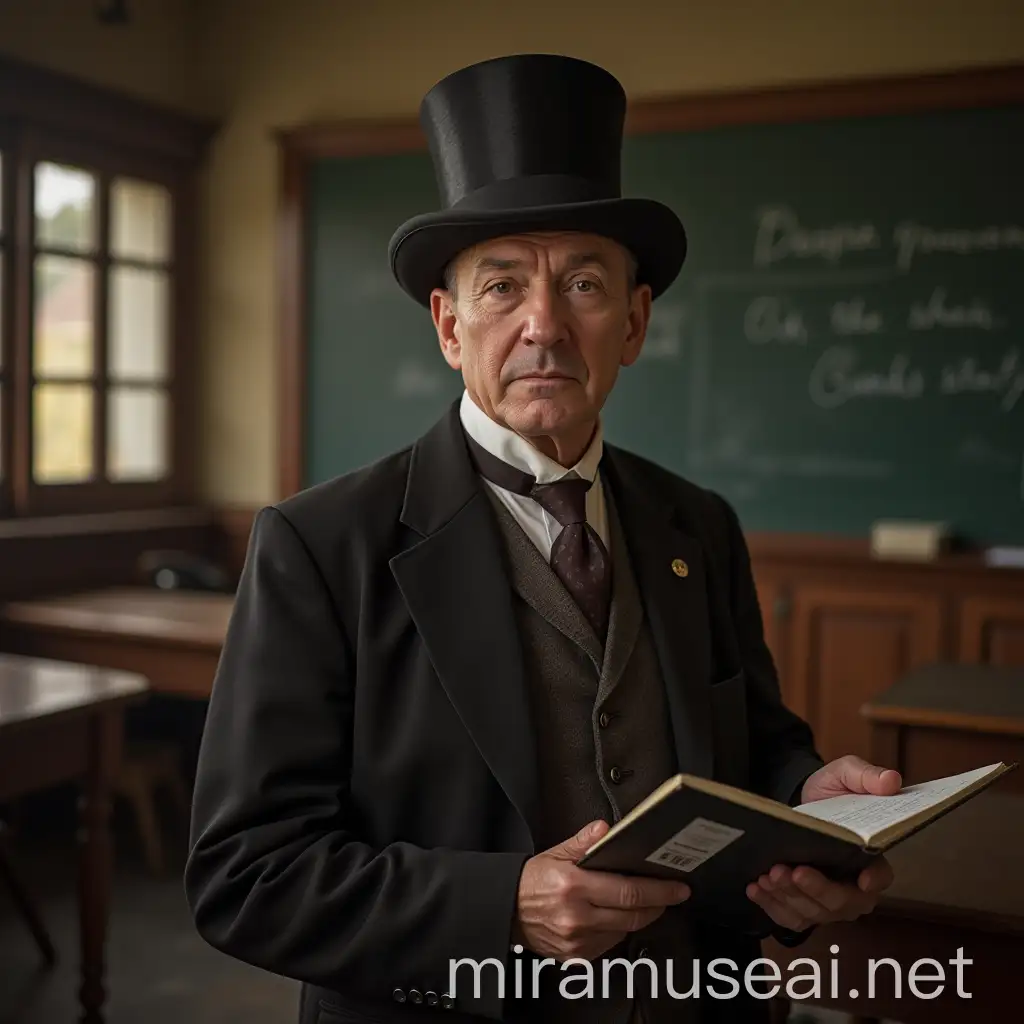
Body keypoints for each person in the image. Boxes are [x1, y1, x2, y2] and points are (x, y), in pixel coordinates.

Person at [184, 54, 899, 1024]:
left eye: (585, 286)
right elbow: (246, 875)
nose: (543, 326)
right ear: (447, 325)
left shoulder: (700, 523)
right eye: (501, 287)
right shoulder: (318, 544)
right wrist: (498, 905)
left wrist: (807, 798)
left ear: (636, 321)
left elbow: (754, 750)